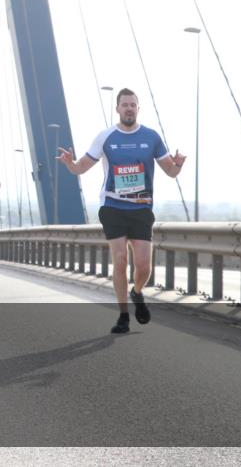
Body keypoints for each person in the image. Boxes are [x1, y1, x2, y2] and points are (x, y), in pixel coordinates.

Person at [57, 88, 185, 334]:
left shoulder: (152, 137)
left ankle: (137, 292)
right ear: (117, 108)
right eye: (124, 105)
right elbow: (81, 168)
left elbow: (170, 171)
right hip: (113, 206)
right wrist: (70, 163)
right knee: (120, 260)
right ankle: (123, 315)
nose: (129, 109)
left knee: (144, 266)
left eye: (132, 105)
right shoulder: (106, 137)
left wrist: (178, 165)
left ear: (138, 109)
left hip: (141, 208)